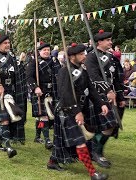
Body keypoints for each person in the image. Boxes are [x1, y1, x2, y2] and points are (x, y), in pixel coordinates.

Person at [47, 43, 109, 180]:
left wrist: (102, 104)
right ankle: (93, 173)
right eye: (81, 54)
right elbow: (65, 94)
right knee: (80, 141)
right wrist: (76, 111)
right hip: (67, 110)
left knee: (61, 141)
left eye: (84, 53)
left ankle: (52, 161)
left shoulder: (83, 71)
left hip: (79, 110)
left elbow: (91, 90)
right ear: (72, 57)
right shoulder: (64, 72)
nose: (84, 56)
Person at [85, 29, 124, 168]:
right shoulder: (91, 56)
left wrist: (120, 96)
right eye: (108, 40)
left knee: (111, 126)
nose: (111, 42)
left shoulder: (112, 57)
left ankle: (94, 150)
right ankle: (96, 153)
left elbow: (117, 78)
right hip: (98, 97)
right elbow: (93, 76)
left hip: (112, 96)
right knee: (107, 125)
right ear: (99, 41)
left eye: (110, 40)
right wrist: (107, 90)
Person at [0, 34, 26, 158]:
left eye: (8, 42)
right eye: (5, 43)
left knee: (7, 117)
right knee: (4, 118)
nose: (7, 44)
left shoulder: (11, 57)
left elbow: (15, 74)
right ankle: (8, 146)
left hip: (9, 91)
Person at [27, 42, 61, 149]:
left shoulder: (54, 61)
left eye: (48, 50)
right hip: (39, 92)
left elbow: (59, 74)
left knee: (41, 118)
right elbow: (29, 76)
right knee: (43, 116)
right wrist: (35, 87)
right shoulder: (34, 62)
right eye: (44, 50)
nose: (46, 52)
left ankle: (37, 136)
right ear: (39, 52)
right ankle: (47, 140)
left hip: (52, 92)